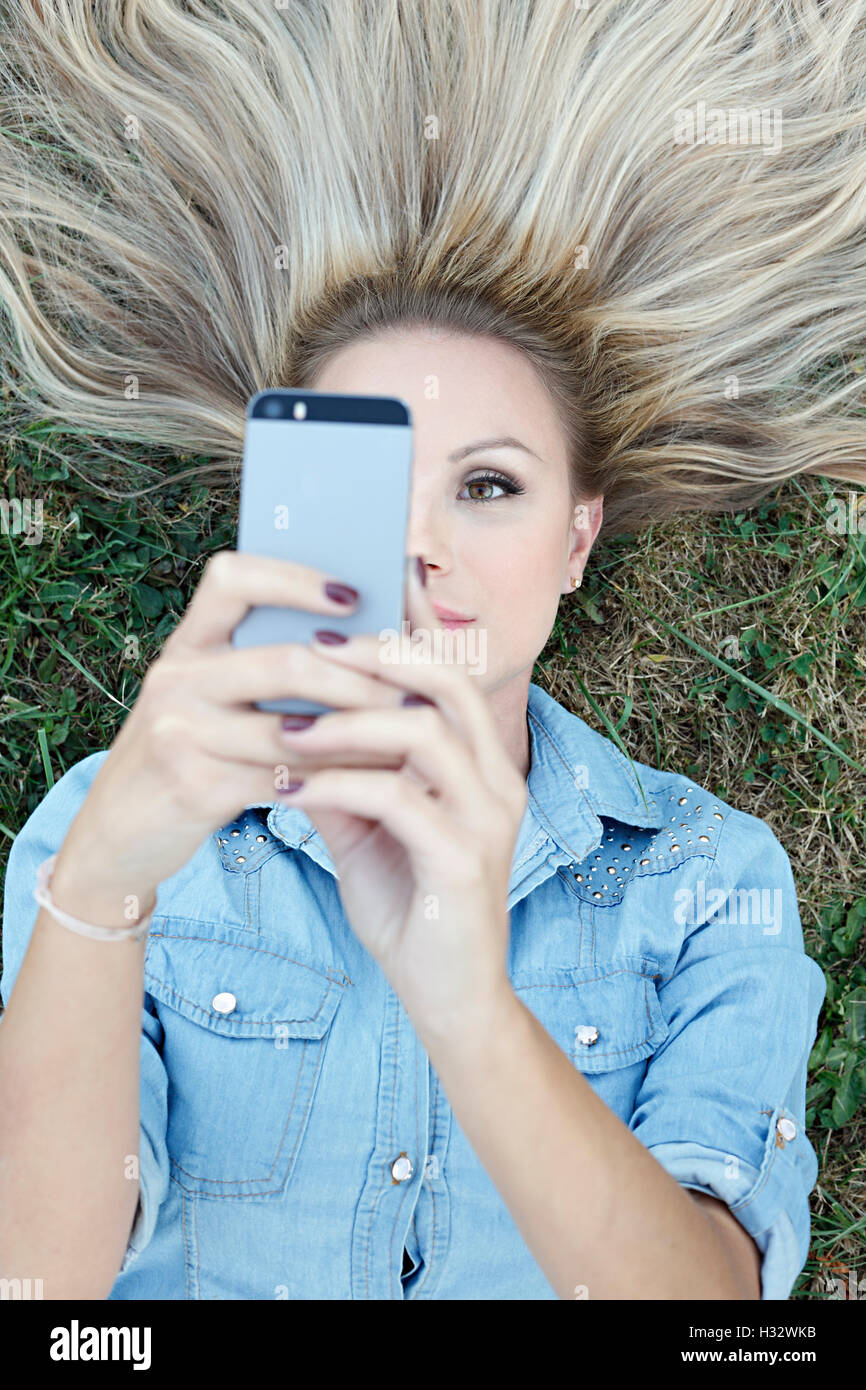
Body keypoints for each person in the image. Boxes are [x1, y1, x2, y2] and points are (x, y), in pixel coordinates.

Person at [0, 0, 861, 1301]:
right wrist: (105, 878)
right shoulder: (101, 837)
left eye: (487, 487)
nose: (416, 547)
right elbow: (37, 1297)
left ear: (578, 540)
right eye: (369, 480)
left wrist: (465, 1001)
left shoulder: (705, 880)